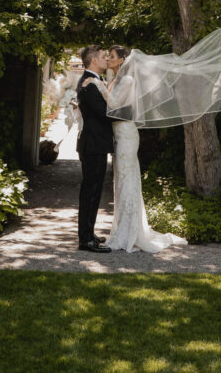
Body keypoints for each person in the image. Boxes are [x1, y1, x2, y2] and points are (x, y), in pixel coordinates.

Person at [84, 45, 187, 254]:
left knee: (126, 180)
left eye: (111, 57)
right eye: (107, 56)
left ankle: (130, 233)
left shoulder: (128, 81)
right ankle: (123, 229)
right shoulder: (115, 80)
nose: (108, 59)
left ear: (121, 60)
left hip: (127, 135)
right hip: (118, 135)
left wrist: (97, 83)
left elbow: (112, 103)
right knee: (121, 182)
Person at [76, 44, 114, 253]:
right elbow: (104, 112)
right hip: (93, 145)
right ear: (94, 61)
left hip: (96, 144)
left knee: (94, 191)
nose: (106, 59)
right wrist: (129, 114)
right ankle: (85, 240)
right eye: (103, 56)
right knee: (90, 192)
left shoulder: (94, 82)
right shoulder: (88, 84)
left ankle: (89, 233)